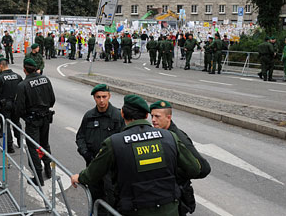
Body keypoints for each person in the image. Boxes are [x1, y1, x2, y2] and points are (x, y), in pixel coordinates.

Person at [70, 94, 201, 216]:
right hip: (169, 209)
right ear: (146, 115)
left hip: (134, 210)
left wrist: (79, 177)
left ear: (122, 114)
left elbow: (93, 173)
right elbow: (195, 169)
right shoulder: (169, 136)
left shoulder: (115, 142)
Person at [150, 100, 211, 215]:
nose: (153, 120)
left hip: (179, 197)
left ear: (168, 117)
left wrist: (174, 173)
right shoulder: (162, 134)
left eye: (157, 116)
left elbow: (204, 169)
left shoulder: (178, 138)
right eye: (152, 116)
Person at [76, 84, 123, 209]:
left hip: (112, 169)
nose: (101, 100)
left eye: (104, 96)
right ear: (94, 98)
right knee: (94, 197)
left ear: (109, 96)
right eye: (98, 97)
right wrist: (85, 153)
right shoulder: (89, 116)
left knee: (111, 199)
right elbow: (80, 137)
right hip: (93, 165)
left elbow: (124, 140)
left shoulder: (118, 116)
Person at [15, 58, 56, 186]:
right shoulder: (46, 79)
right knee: (45, 144)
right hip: (45, 118)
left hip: (33, 121)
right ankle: (48, 170)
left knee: (33, 148)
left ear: (24, 69)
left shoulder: (23, 85)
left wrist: (26, 117)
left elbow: (19, 108)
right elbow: (52, 100)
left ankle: (38, 177)